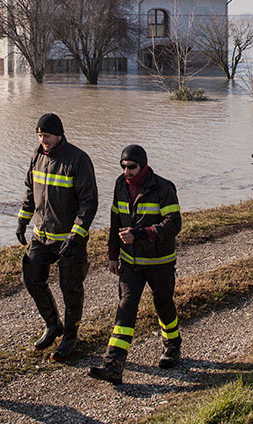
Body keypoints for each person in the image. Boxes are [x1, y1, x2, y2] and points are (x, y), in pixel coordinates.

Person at [88, 144, 182, 385]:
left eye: (131, 167)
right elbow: (115, 221)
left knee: (163, 304)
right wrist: (112, 254)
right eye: (123, 166)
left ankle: (172, 345)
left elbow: (174, 224)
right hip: (130, 263)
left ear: (143, 165)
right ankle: (113, 365)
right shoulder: (120, 185)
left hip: (160, 263)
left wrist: (140, 234)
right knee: (126, 308)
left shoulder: (163, 188)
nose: (126, 171)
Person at [16, 112, 98, 361]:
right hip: (41, 237)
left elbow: (89, 203)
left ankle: (70, 339)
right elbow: (30, 191)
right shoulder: (37, 155)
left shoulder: (78, 160)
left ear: (59, 135)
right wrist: (22, 220)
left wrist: (76, 236)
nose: (43, 140)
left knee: (70, 289)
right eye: (40, 135)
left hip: (69, 240)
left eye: (47, 136)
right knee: (31, 277)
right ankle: (53, 325)